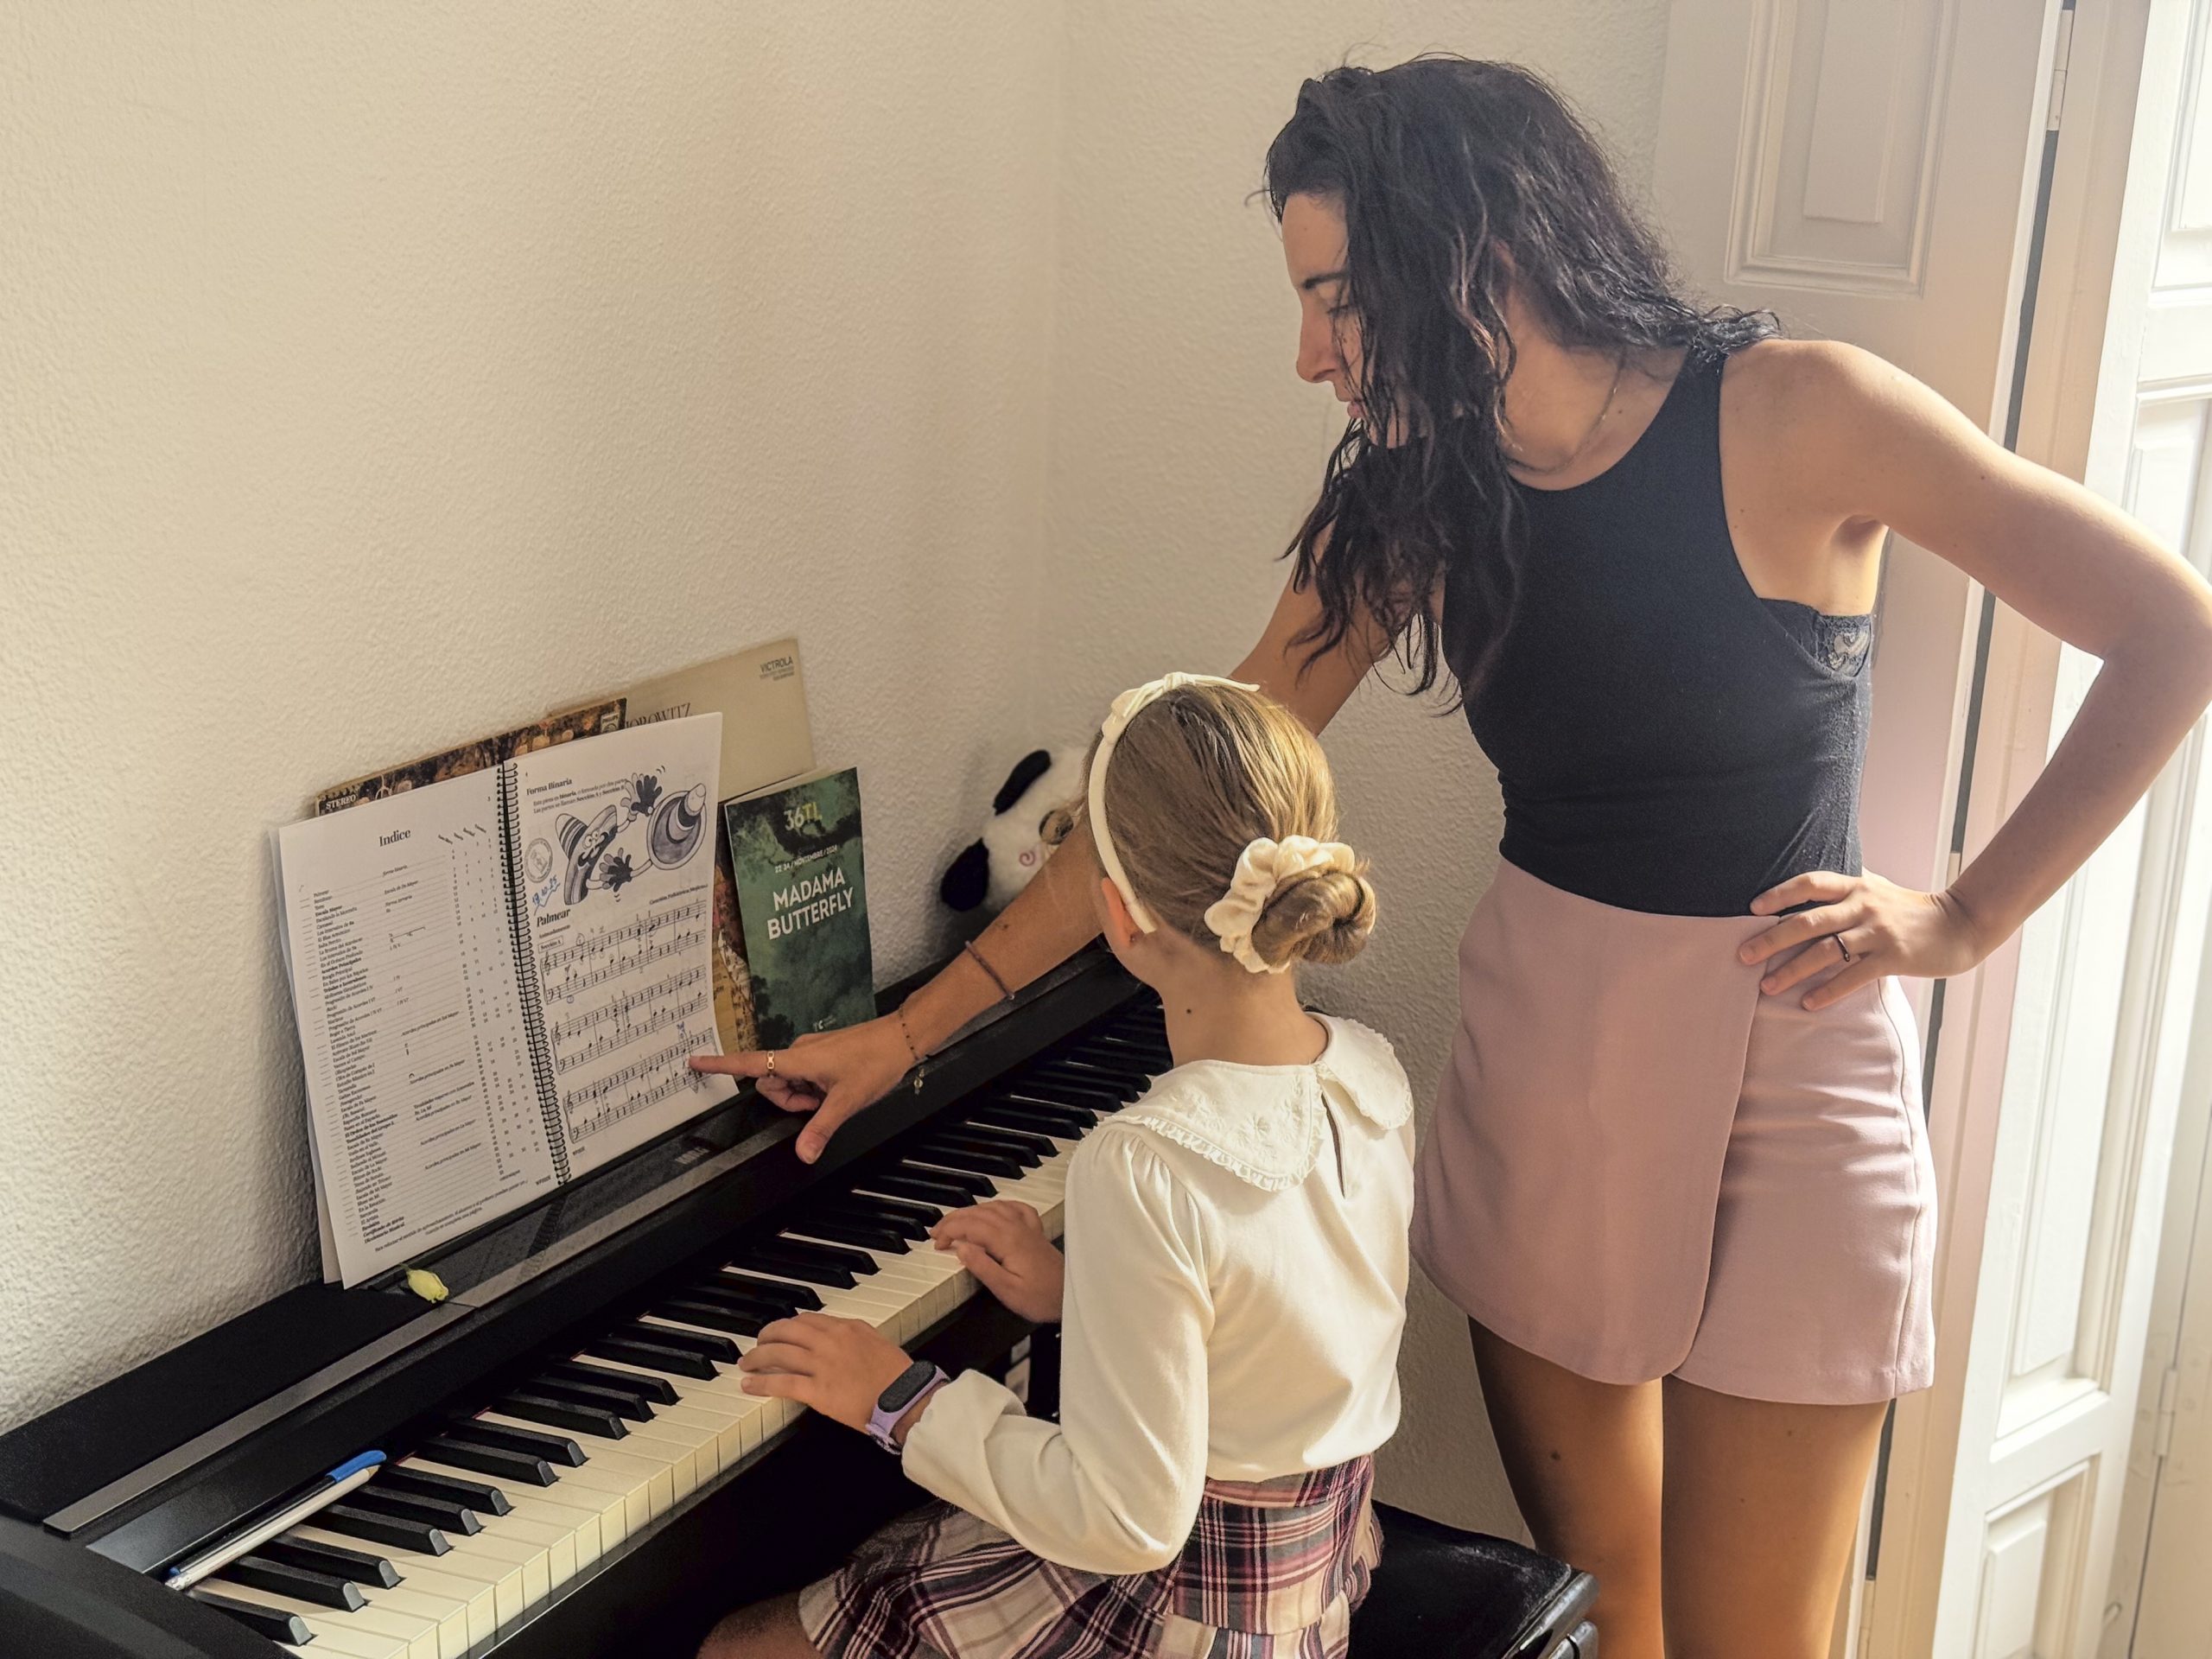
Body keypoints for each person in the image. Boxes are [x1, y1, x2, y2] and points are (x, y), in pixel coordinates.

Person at [693, 57, 2212, 1659]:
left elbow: (2170, 632)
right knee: (1607, 1623)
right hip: (1558, 1053)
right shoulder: (1415, 500)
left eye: (1336, 301)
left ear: (1475, 247)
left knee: (1766, 1643)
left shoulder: (1801, 413)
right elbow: (1164, 795)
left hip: (1798, 1052)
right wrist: (912, 1033)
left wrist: (1966, 916)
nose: (1308, 358)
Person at [695, 675, 1415, 1659]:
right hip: (1303, 1594)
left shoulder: (1145, 1163)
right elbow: (1278, 1324)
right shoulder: (1370, 1075)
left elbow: (1125, 1523)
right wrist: (1085, 1294)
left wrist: (896, 1396)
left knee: (740, 1646)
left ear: (1114, 918)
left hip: (1166, 1615)